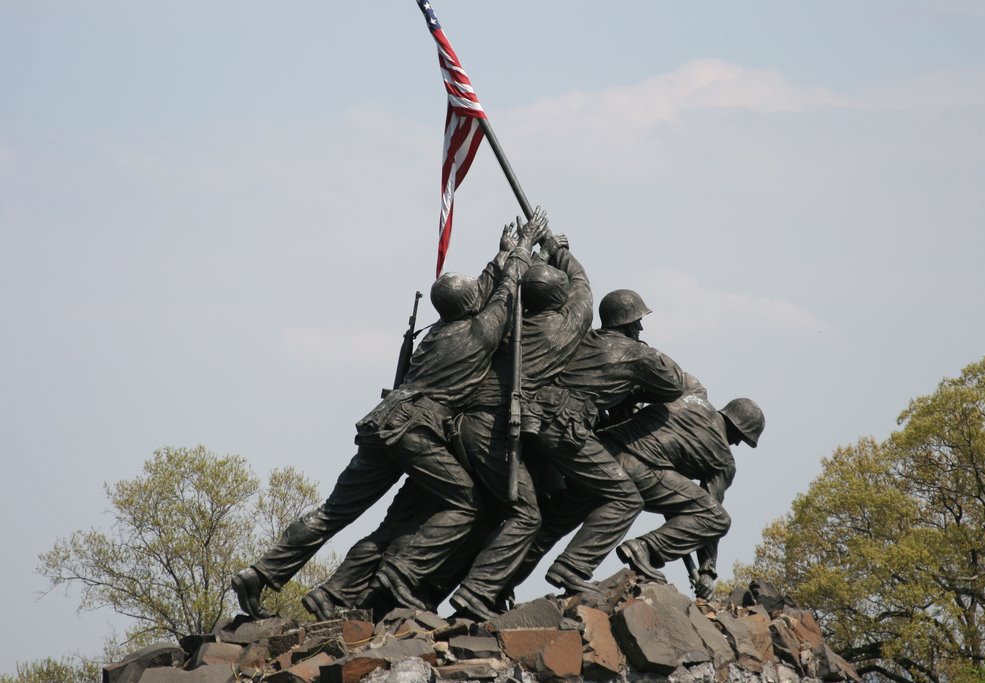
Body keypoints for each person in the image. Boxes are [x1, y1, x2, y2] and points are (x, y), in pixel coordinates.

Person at [231, 213, 544, 619]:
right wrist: (522, 249)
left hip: (381, 423)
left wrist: (501, 254)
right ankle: (401, 573)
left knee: (333, 512)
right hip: (417, 430)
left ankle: (261, 572)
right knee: (466, 504)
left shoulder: (438, 332)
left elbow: (485, 291)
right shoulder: (479, 333)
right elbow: (504, 295)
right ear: (471, 306)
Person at [447, 226, 593, 620]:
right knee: (526, 514)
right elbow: (583, 287)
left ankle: (470, 590)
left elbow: (488, 297)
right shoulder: (564, 329)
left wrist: (511, 256)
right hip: (491, 428)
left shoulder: (506, 326)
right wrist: (559, 250)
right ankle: (476, 591)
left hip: (462, 425)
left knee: (489, 511)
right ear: (559, 299)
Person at [507, 289, 688, 596]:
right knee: (627, 499)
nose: (641, 329)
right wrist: (643, 358)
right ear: (629, 324)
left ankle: (496, 587)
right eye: (638, 322)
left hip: (538, 422)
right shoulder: (635, 353)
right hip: (566, 427)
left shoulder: (583, 340)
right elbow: (674, 384)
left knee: (548, 518)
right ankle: (573, 567)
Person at [603, 386, 765, 598]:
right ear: (737, 428)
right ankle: (644, 548)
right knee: (718, 518)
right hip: (638, 469)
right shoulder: (723, 458)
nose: (736, 443)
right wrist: (707, 571)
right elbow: (710, 512)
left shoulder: (688, 399)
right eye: (741, 438)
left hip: (603, 451)